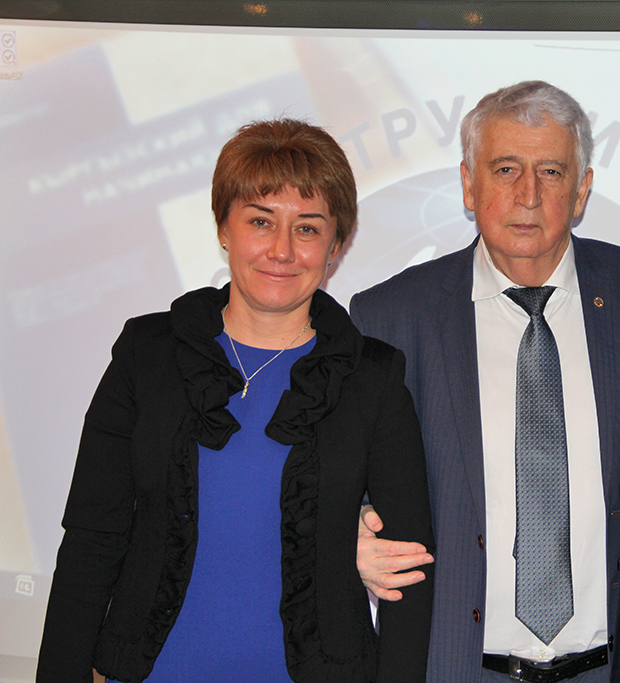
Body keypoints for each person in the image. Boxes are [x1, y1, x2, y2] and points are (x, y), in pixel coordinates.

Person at [36, 119, 434, 683]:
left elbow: (408, 574)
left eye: (307, 228)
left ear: (336, 245)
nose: (281, 250)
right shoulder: (147, 355)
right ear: (224, 228)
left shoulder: (373, 377)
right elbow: (90, 542)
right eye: (260, 221)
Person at [349, 81, 620, 683]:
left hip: (612, 669)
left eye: (551, 172)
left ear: (581, 191)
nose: (528, 195)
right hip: (455, 668)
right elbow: (339, 476)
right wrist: (348, 528)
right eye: (505, 169)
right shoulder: (389, 317)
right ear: (468, 184)